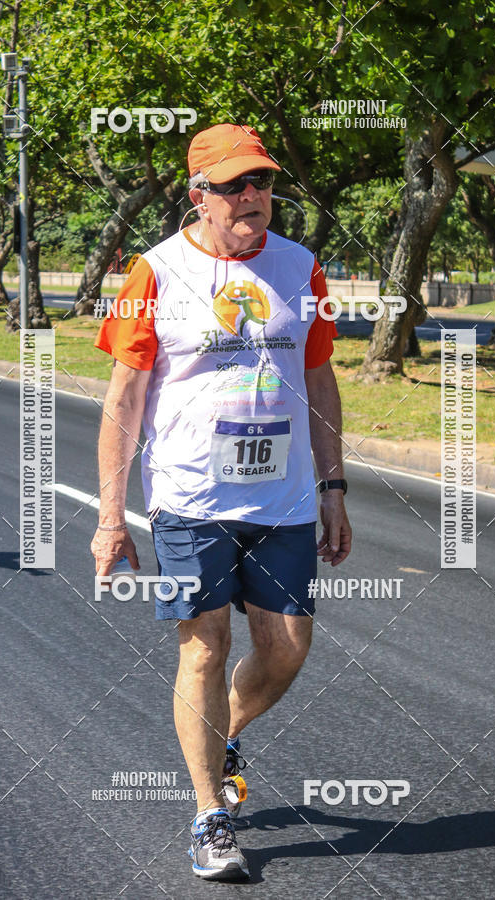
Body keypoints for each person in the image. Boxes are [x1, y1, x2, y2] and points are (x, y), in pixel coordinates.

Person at [91, 123, 352, 881]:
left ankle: (220, 736)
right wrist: (111, 518)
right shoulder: (157, 272)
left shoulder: (301, 267)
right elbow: (124, 399)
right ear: (198, 194)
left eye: (261, 181)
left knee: (288, 648)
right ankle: (211, 816)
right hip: (189, 496)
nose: (252, 196)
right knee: (204, 646)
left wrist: (334, 486)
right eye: (234, 185)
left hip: (283, 499)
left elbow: (320, 379)